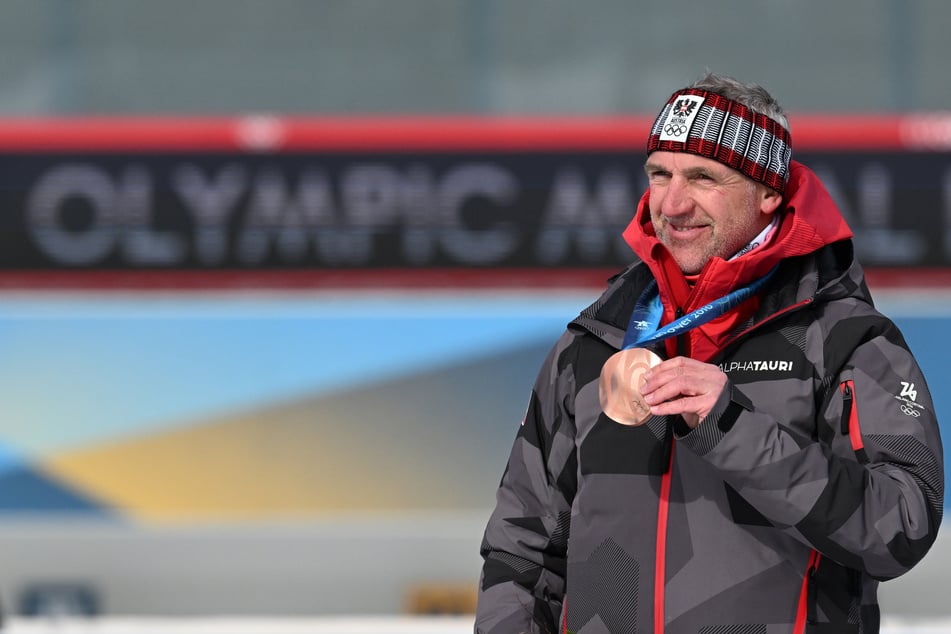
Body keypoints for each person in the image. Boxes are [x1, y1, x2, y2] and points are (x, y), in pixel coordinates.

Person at [474, 72, 944, 634]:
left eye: (702, 177)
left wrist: (732, 428)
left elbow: (901, 526)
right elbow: (522, 547)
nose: (671, 204)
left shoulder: (846, 340)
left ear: (769, 192)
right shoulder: (595, 340)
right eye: (659, 174)